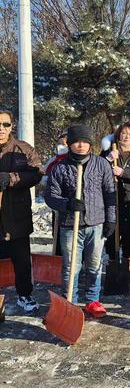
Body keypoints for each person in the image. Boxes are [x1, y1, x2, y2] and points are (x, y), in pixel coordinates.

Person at [45, 124, 116, 318]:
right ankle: (70, 301)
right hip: (70, 225)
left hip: (96, 222)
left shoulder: (102, 164)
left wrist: (111, 220)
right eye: (77, 142)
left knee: (94, 265)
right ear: (69, 144)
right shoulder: (60, 167)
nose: (81, 145)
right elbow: (50, 196)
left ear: (90, 144)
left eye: (85, 142)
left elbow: (110, 195)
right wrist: (67, 204)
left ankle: (92, 300)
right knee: (71, 266)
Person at [0, 109, 43, 312]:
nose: (1, 128)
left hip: (17, 215)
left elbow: (37, 174)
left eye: (6, 124)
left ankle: (24, 295)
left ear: (12, 126)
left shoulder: (23, 149)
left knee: (22, 259)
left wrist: (11, 178)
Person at [101, 123, 130, 280]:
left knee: (129, 237)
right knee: (112, 235)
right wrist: (107, 160)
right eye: (123, 133)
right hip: (112, 200)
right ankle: (113, 266)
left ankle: (127, 267)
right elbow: (97, 170)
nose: (126, 137)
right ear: (118, 135)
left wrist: (123, 173)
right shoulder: (109, 153)